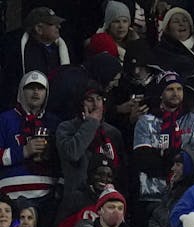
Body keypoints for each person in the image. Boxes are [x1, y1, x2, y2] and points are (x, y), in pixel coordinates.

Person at [132, 70, 194, 195]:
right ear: (161, 93)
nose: (175, 93)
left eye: (179, 89)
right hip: (152, 193)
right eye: (170, 89)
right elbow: (143, 159)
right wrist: (179, 158)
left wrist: (162, 154)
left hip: (187, 193)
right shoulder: (145, 121)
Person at [56, 82, 127, 204]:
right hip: (77, 202)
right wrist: (91, 123)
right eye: (90, 100)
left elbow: (120, 171)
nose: (95, 104)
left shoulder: (113, 133)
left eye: (99, 99)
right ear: (80, 103)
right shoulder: (66, 128)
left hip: (108, 203)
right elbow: (73, 153)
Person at [0, 71, 61, 210]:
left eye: (40, 88)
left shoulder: (54, 122)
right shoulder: (4, 119)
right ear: (21, 91)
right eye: (30, 87)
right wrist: (23, 151)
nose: (35, 92)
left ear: (46, 93)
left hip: (47, 196)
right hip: (10, 197)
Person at [0, 8, 73, 108]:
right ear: (39, 28)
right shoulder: (19, 52)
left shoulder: (62, 49)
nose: (59, 27)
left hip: (55, 107)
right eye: (53, 24)